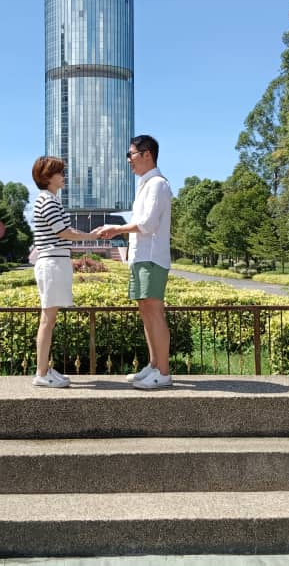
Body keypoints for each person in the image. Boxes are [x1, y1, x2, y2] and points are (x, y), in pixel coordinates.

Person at [93, 135, 173, 389]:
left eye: (131, 155)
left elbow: (148, 224)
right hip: (140, 258)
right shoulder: (144, 185)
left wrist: (116, 229)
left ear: (147, 154)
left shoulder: (158, 184)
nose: (129, 160)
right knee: (146, 312)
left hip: (151, 258)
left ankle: (164, 371)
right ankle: (153, 365)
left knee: (154, 312)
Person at [30, 155, 96, 387]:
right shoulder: (47, 201)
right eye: (59, 172)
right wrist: (91, 236)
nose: (63, 176)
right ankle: (41, 372)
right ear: (47, 177)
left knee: (49, 318)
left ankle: (45, 369)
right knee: (47, 319)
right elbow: (63, 232)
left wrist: (82, 234)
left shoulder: (50, 200)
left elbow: (64, 229)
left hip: (54, 262)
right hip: (52, 263)